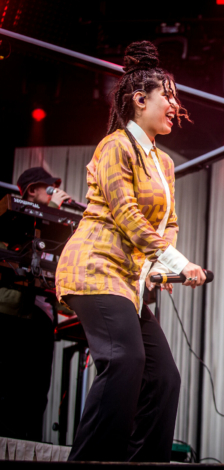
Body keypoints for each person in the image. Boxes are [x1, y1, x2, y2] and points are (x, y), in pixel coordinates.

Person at [54, 41, 206, 462]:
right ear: (140, 100)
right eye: (168, 98)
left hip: (127, 281)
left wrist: (159, 269)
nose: (175, 106)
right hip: (93, 269)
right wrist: (180, 263)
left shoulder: (166, 163)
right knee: (125, 360)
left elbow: (166, 224)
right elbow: (125, 215)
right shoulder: (114, 146)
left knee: (164, 380)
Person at [0, 167, 70, 441]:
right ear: (32, 191)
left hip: (42, 318)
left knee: (37, 390)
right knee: (9, 386)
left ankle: (29, 446)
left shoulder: (55, 234)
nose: (57, 195)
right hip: (12, 315)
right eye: (50, 189)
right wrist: (53, 208)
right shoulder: (13, 219)